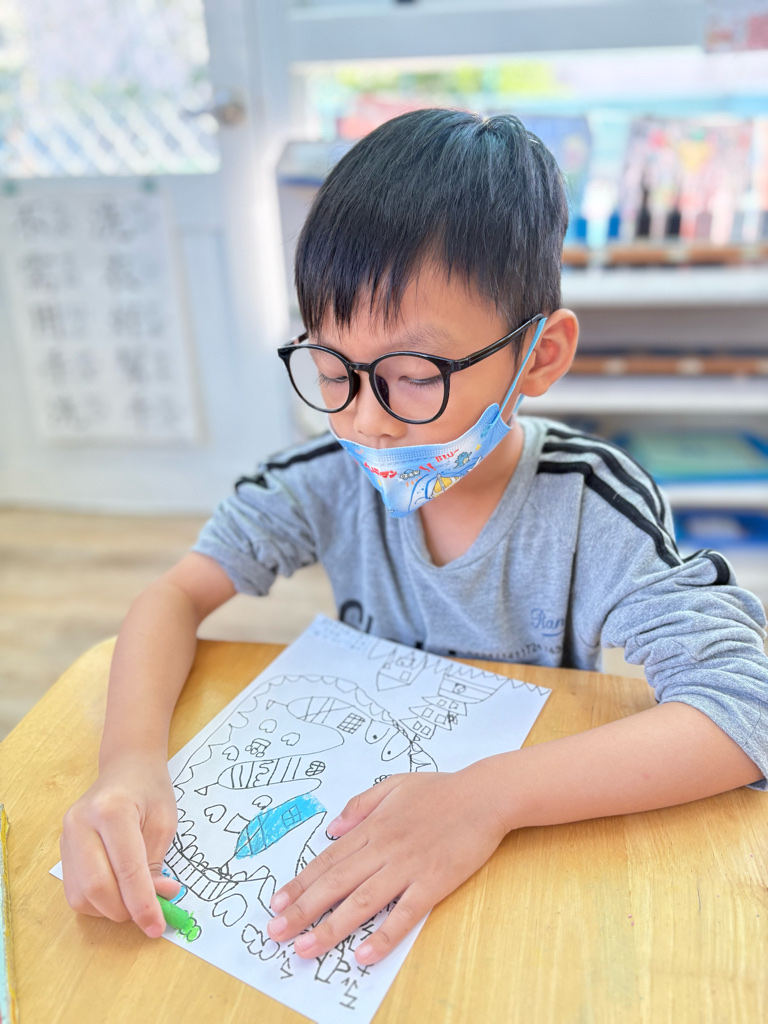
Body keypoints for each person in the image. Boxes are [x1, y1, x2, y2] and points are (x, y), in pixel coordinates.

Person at [60, 109, 768, 968]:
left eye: (411, 376)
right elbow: (176, 595)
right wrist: (129, 763)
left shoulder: (593, 508)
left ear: (540, 357)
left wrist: (488, 797)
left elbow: (744, 707)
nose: (367, 421)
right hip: (365, 817)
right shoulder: (325, 473)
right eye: (333, 370)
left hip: (528, 847)